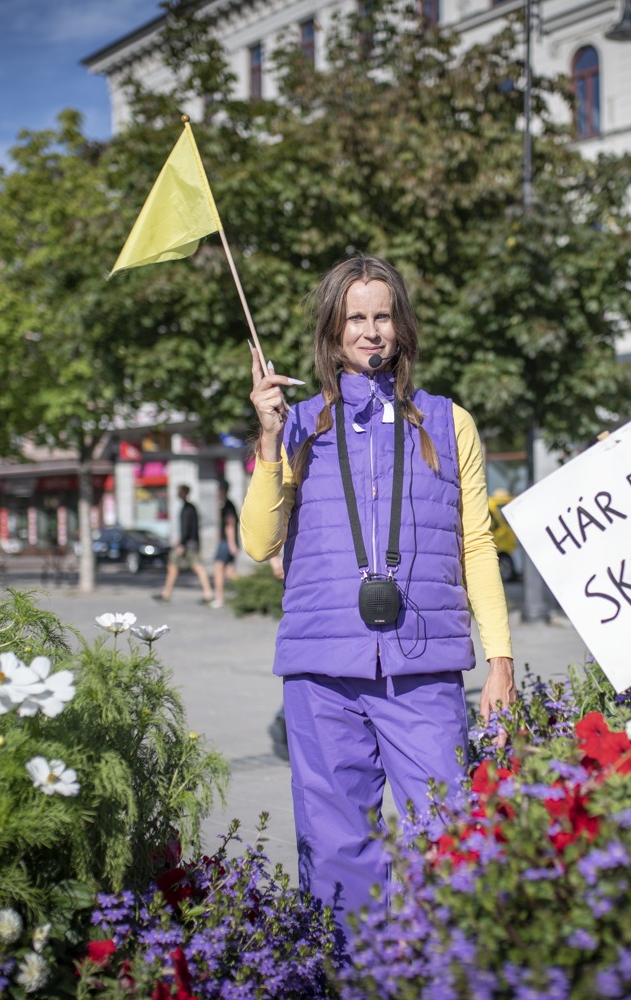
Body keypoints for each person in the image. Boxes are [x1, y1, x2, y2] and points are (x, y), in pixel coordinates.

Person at [242, 254, 516, 925]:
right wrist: (270, 438)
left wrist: (501, 661)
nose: (371, 332)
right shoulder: (299, 424)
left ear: (402, 326)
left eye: (383, 316)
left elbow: (475, 544)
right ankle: (348, 977)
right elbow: (258, 543)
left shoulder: (450, 424)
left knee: (450, 841)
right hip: (321, 674)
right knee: (337, 859)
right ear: (333, 333)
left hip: (423, 669)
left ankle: (447, 977)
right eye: (356, 318)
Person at [159, 484, 214, 604]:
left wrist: (181, 544)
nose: (177, 494)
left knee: (195, 567)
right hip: (190, 543)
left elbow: (187, 528)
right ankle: (166, 594)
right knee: (175, 567)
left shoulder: (187, 508)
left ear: (184, 492)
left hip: (188, 544)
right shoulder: (190, 507)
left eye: (179, 491)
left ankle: (208, 593)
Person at [211, 490, 240, 609]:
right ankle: (248, 587)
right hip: (227, 542)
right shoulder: (226, 504)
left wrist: (232, 544)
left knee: (218, 569)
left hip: (226, 543)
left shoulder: (227, 505)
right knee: (229, 572)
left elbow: (230, 525)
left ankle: (219, 598)